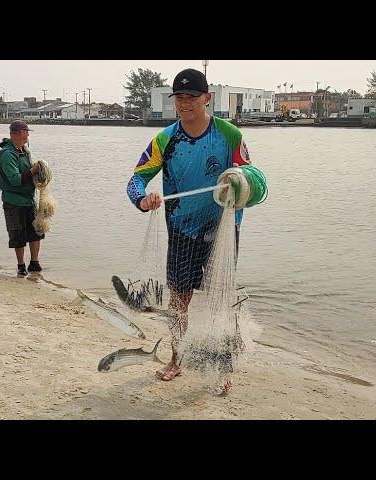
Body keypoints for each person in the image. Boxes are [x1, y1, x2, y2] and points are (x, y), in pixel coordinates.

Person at [126, 68, 252, 394]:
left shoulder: (229, 135)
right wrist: (143, 199)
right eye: (179, 98)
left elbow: (251, 176)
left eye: (192, 97)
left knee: (219, 301)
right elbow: (136, 179)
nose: (185, 104)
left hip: (222, 231)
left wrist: (241, 177)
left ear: (206, 98)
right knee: (179, 300)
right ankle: (177, 358)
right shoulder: (165, 139)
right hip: (181, 231)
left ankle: (222, 367)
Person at [0, 120, 45, 277]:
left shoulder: (24, 151)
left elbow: (29, 174)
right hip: (13, 201)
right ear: (17, 133)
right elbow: (15, 180)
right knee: (17, 234)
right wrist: (33, 171)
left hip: (29, 200)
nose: (28, 135)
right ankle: (20, 265)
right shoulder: (7, 154)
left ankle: (35, 262)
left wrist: (39, 173)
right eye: (26, 132)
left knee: (36, 231)